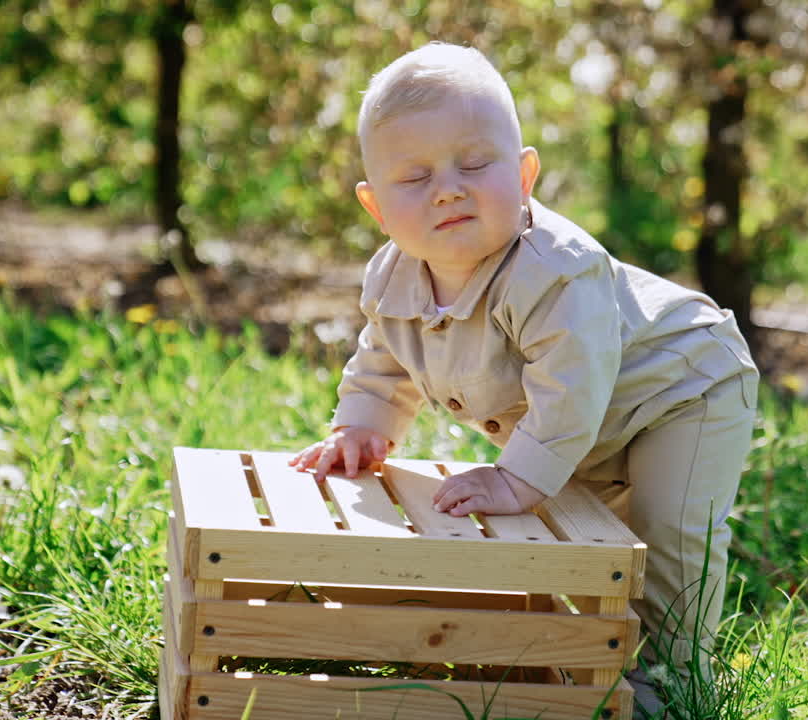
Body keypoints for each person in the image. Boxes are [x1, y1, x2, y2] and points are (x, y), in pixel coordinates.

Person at [290, 41, 759, 717]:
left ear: (525, 173)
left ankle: (677, 684)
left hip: (683, 389)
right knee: (588, 539)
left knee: (665, 534)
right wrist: (362, 426)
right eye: (414, 178)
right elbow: (385, 354)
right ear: (377, 209)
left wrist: (517, 478)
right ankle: (583, 657)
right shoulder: (392, 275)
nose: (448, 187)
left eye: (475, 163)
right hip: (590, 421)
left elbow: (574, 383)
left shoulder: (553, 271)